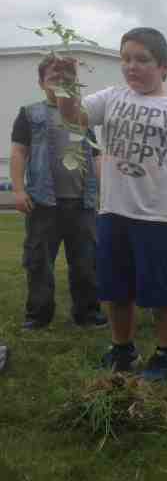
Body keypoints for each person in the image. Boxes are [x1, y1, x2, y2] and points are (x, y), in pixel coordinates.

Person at [55, 27, 167, 381]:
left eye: (142, 60)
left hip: (161, 218)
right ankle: (123, 349)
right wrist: (65, 86)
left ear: (164, 66)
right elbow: (72, 116)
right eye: (126, 59)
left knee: (162, 293)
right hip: (114, 214)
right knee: (116, 289)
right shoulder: (112, 98)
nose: (131, 67)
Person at [10, 54, 106, 330]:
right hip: (43, 203)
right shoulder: (30, 114)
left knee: (86, 262)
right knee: (39, 262)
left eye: (68, 78)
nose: (62, 82)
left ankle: (87, 313)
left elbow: (96, 157)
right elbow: (19, 152)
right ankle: (38, 316)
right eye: (54, 78)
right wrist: (18, 190)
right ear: (42, 84)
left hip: (83, 203)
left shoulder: (83, 116)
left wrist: (107, 190)